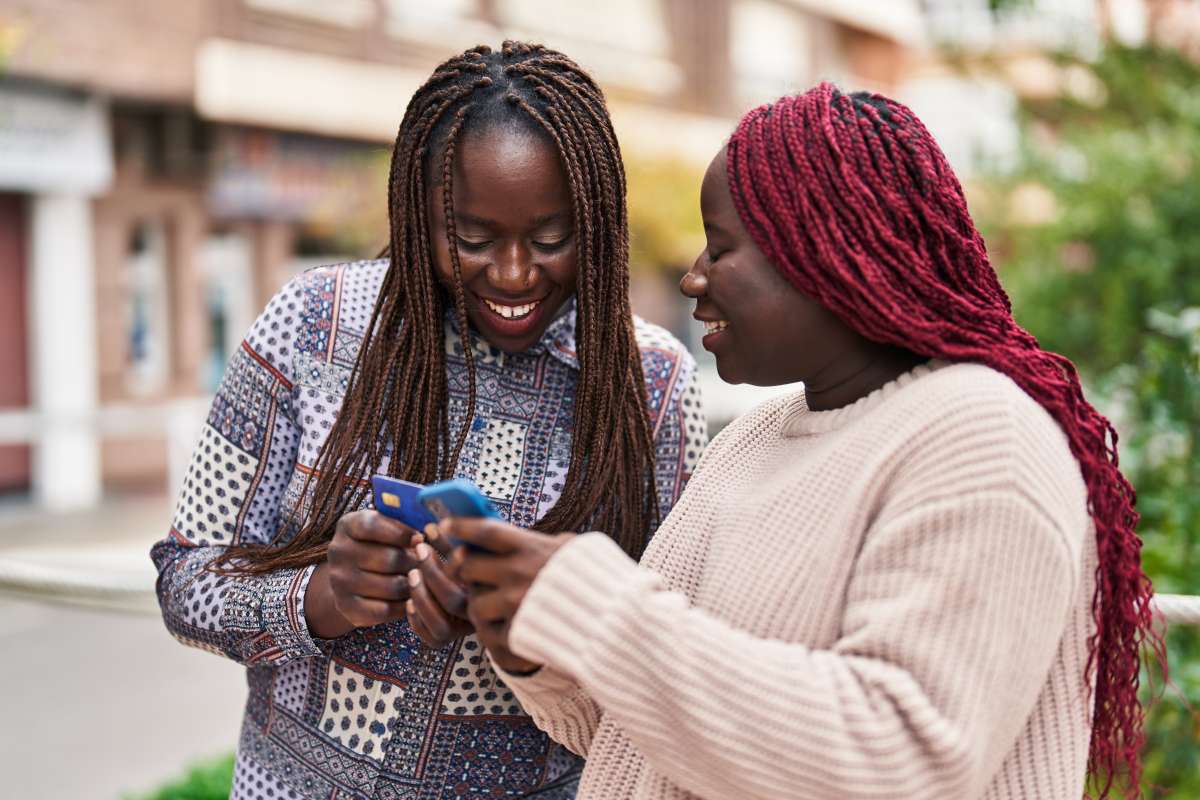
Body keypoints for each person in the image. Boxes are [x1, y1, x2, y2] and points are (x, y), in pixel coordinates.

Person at [431, 84, 1161, 799]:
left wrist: (589, 604)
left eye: (720, 248)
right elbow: (655, 732)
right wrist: (528, 637)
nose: (693, 277)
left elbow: (900, 759)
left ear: (830, 254)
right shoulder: (753, 439)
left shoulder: (984, 442)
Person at [150, 41, 705, 799]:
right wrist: (323, 598)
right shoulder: (313, 327)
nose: (513, 275)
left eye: (551, 239)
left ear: (599, 222)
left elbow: (666, 658)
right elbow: (185, 580)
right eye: (472, 240)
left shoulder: (654, 383)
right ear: (420, 218)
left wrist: (532, 620)